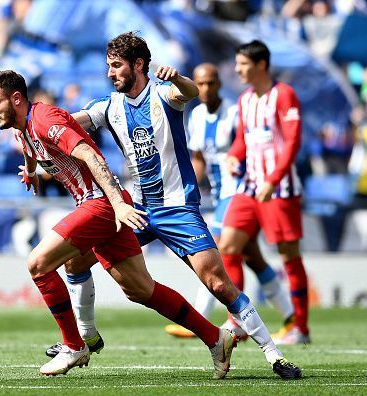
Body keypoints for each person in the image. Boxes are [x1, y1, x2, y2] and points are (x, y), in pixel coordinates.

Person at [46, 32, 301, 379]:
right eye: (108, 66)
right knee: (76, 259)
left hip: (178, 208)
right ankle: (84, 338)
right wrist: (35, 127)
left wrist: (179, 77)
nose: (110, 73)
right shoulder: (107, 106)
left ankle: (274, 355)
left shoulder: (165, 94)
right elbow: (64, 125)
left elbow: (189, 93)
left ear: (138, 65)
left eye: (116, 66)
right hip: (136, 210)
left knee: (218, 284)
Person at [0, 69, 237, 379]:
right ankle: (215, 337)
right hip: (101, 206)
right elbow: (28, 144)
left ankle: (74, 344)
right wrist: (32, 171)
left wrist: (117, 204)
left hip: (101, 204)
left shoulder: (46, 119)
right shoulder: (21, 126)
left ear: (16, 99)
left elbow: (90, 155)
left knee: (38, 263)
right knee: (141, 290)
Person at [165, 63, 295, 339]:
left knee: (219, 251)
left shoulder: (235, 114)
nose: (206, 89)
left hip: (239, 192)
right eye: (200, 83)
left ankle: (207, 320)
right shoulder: (197, 116)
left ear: (219, 85)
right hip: (220, 192)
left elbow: (251, 148)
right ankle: (290, 316)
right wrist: (186, 190)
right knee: (253, 258)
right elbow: (199, 159)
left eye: (211, 83)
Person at [221, 40, 310, 345]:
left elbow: (293, 141)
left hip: (279, 189)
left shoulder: (284, 95)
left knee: (288, 255)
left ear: (260, 65)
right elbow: (243, 141)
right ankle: (237, 322)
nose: (238, 70)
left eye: (243, 64)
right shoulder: (245, 100)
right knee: (228, 246)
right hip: (249, 187)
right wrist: (233, 157)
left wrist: (273, 179)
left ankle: (300, 328)